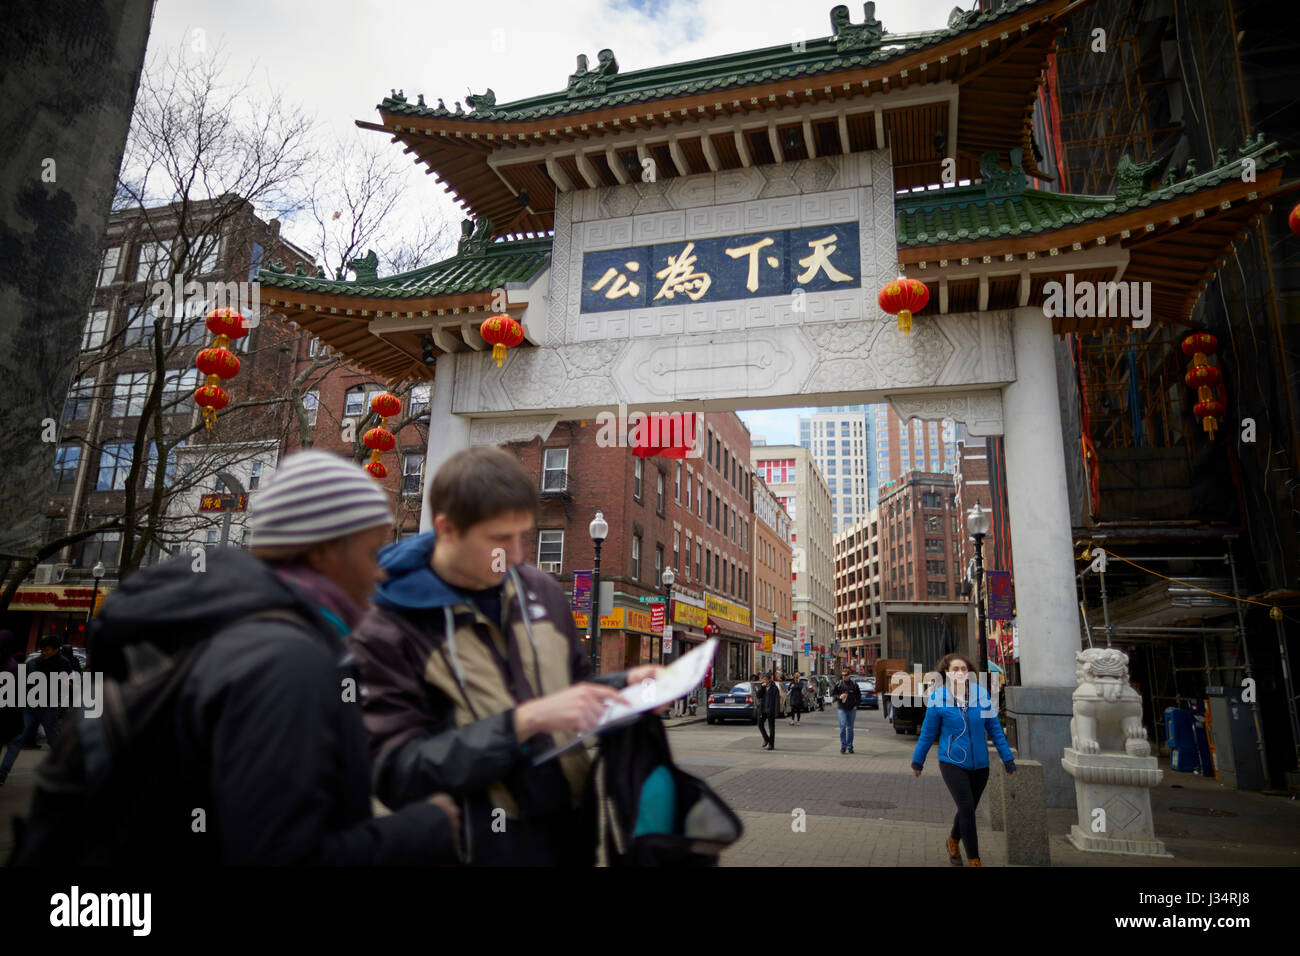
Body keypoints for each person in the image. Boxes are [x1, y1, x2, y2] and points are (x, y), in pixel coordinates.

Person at [28, 450, 462, 863]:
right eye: (371, 551)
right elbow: (284, 856)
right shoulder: (288, 660)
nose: (379, 571)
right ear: (325, 548)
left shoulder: (236, 631)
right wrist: (431, 824)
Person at [346, 446, 662, 866]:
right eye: (499, 539)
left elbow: (571, 691)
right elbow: (396, 769)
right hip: (479, 846)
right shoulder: (386, 627)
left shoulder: (542, 591)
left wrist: (624, 687)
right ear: (447, 529)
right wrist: (522, 723)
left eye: (521, 535)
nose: (516, 555)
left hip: (572, 841)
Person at [911, 653, 1015, 867]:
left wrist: (1007, 758)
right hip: (952, 762)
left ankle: (952, 840)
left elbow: (994, 729)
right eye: (955, 669)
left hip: (981, 765)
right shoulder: (938, 697)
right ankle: (975, 860)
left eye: (964, 669)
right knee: (967, 807)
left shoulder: (982, 695)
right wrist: (918, 761)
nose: (960, 673)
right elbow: (928, 733)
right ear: (946, 673)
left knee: (967, 809)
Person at [0, 634, 81, 785]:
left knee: (54, 739)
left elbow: (69, 684)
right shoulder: (34, 662)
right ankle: (2, 774)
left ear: (57, 650)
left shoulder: (64, 663)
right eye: (42, 649)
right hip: (30, 706)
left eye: (48, 650)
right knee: (18, 739)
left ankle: (65, 768)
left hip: (49, 707)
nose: (44, 653)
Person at [832, 667, 861, 754]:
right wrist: (839, 697)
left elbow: (859, 696)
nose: (843, 677)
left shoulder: (854, 684)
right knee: (843, 726)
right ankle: (843, 746)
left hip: (852, 709)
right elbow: (833, 694)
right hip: (842, 708)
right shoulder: (839, 684)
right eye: (842, 675)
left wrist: (856, 705)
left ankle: (850, 746)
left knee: (850, 728)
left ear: (849, 675)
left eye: (845, 675)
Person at [755, 672, 779, 750]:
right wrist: (762, 687)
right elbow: (758, 695)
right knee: (760, 724)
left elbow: (776, 700)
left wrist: (776, 711)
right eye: (763, 679)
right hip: (763, 709)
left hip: (771, 709)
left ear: (769, 680)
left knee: (771, 727)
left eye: (765, 679)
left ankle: (771, 744)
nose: (764, 681)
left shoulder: (774, 688)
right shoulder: (762, 687)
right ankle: (766, 739)